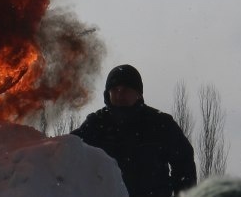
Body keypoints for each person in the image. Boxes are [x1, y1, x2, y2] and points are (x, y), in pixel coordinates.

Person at [74, 64, 198, 197]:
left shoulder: (160, 124)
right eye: (115, 89)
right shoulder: (96, 124)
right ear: (108, 94)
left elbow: (184, 163)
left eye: (126, 89)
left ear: (138, 94)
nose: (120, 94)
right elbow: (68, 150)